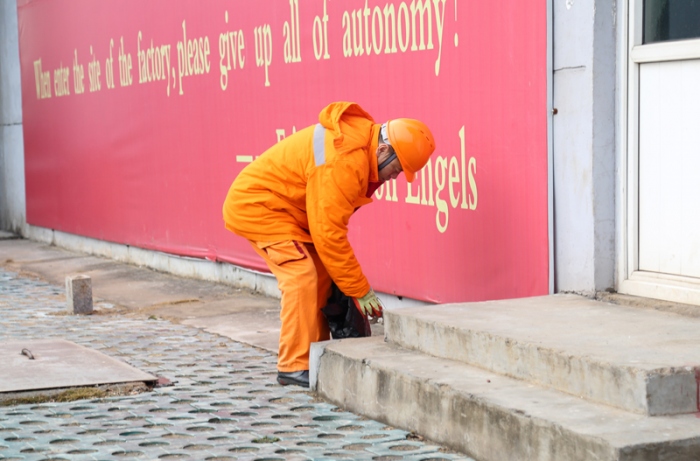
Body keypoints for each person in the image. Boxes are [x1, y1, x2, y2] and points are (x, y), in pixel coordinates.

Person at [222, 101, 436, 387]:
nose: (394, 177)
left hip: (288, 211)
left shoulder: (359, 146)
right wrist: (359, 290)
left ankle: (313, 357)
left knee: (321, 276)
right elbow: (329, 233)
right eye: (397, 169)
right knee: (301, 276)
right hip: (259, 207)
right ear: (383, 150)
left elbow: (326, 227)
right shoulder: (345, 160)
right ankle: (294, 366)